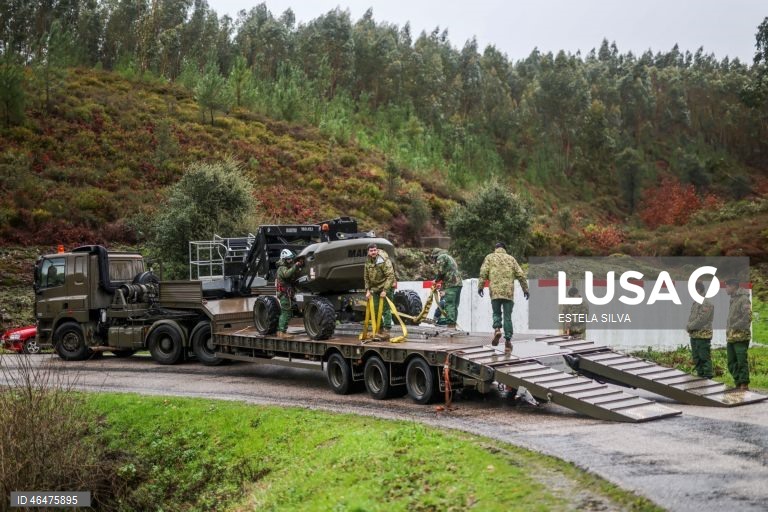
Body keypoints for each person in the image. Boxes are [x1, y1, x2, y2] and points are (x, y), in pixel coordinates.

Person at [478, 242, 529, 353]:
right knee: (507, 317)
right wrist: (526, 289)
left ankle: (497, 329)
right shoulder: (511, 259)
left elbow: (483, 272)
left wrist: (480, 287)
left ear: (495, 248)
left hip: (495, 292)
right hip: (508, 293)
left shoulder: (490, 257)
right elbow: (521, 275)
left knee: (496, 313)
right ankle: (507, 343)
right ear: (505, 249)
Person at [364, 242, 396, 340]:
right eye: (371, 251)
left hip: (386, 287)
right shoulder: (368, 261)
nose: (373, 252)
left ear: (377, 250)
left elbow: (390, 276)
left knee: (386, 310)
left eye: (374, 250)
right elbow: (366, 277)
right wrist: (367, 290)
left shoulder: (383, 260)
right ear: (368, 252)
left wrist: (385, 290)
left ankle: (387, 331)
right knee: (376, 309)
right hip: (375, 289)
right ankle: (379, 330)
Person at [725, 278, 752, 390]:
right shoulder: (733, 299)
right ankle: (738, 382)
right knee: (731, 362)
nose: (726, 289)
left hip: (740, 337)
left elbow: (747, 317)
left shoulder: (743, 299)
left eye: (727, 286)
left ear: (733, 286)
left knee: (741, 362)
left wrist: (734, 326)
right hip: (731, 336)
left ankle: (744, 384)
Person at [686, 281, 714, 379]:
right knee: (696, 358)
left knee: (704, 357)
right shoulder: (696, 302)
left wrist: (690, 326)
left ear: (698, 289)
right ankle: (700, 376)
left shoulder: (706, 302)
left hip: (703, 335)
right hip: (695, 335)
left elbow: (702, 319)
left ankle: (707, 377)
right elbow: (693, 317)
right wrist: (689, 327)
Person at [431, 248, 463, 328]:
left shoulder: (440, 257)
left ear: (435, 256)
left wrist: (436, 280)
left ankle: (451, 326)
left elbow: (440, 271)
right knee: (455, 306)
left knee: (449, 305)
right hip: (458, 284)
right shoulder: (450, 257)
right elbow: (447, 271)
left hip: (450, 284)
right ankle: (453, 324)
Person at [275, 249, 303, 339]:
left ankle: (280, 332)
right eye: (288, 259)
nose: (290, 260)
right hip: (284, 294)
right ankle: (282, 332)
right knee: (286, 313)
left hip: (287, 294)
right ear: (283, 259)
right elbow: (287, 274)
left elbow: (293, 275)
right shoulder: (282, 268)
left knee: (287, 313)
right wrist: (295, 265)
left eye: (291, 259)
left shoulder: (286, 267)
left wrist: (298, 267)